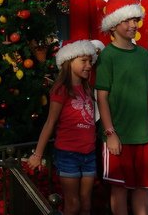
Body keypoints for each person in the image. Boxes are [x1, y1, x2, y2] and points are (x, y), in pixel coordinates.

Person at [96, 2, 148, 215]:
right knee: (119, 187)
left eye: (135, 20)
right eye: (128, 20)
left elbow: (147, 93)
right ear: (114, 26)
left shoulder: (143, 55)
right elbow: (102, 97)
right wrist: (110, 132)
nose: (134, 24)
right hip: (119, 135)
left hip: (142, 134)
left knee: (144, 186)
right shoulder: (107, 56)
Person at [27, 40, 99, 215]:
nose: (89, 65)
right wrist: (38, 154)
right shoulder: (61, 90)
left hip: (89, 153)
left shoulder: (87, 88)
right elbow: (50, 122)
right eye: (84, 61)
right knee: (72, 204)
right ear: (69, 61)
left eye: (90, 61)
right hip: (68, 154)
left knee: (86, 204)